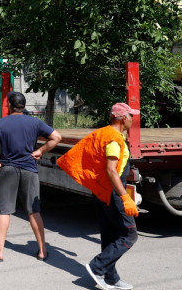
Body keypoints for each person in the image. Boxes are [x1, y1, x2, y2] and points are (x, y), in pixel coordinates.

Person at [57, 102, 139, 290]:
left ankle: (111, 277)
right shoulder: (113, 139)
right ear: (124, 118)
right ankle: (97, 267)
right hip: (113, 192)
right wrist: (125, 197)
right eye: (131, 116)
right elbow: (111, 171)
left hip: (102, 191)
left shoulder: (102, 132)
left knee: (110, 234)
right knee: (129, 234)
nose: (133, 120)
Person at [0, 91, 62, 262]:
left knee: (5, 211)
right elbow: (57, 137)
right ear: (23, 106)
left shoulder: (1, 123)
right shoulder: (34, 122)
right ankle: (42, 251)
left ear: (9, 105)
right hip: (29, 170)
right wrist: (40, 151)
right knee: (34, 211)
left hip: (7, 169)